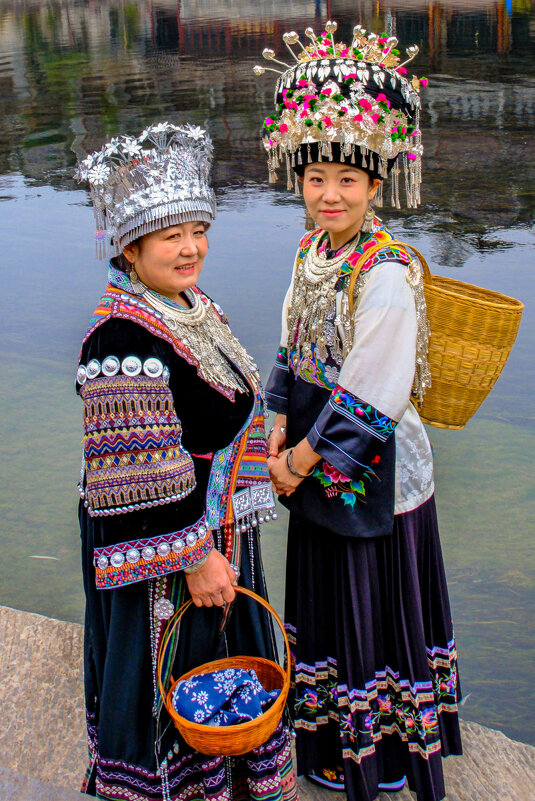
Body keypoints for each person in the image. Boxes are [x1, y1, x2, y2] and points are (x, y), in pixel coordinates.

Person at [254, 21, 462, 801]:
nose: (329, 195)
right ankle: (327, 739)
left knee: (369, 605)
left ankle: (379, 753)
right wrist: (276, 424)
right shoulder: (313, 254)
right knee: (325, 604)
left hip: (361, 459)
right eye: (316, 179)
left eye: (346, 179)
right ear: (299, 181)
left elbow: (371, 396)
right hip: (309, 450)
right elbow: (290, 347)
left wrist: (296, 463)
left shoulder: (387, 271)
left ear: (377, 186)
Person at [74, 122, 296, 801]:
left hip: (214, 526)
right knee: (165, 675)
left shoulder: (192, 307)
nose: (191, 247)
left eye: (197, 230)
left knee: (215, 671)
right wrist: (198, 557)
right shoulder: (118, 341)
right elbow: (142, 476)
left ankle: (221, 778)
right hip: (169, 552)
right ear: (131, 247)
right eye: (171, 236)